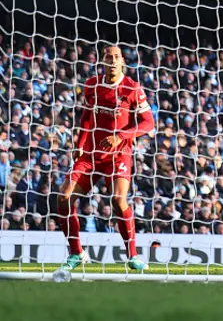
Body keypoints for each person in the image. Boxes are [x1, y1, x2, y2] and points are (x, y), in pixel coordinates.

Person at [56, 46, 155, 272]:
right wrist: (79, 145)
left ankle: (132, 255)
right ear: (103, 60)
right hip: (91, 155)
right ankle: (77, 253)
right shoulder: (92, 85)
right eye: (108, 57)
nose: (112, 60)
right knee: (64, 197)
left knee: (119, 201)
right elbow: (87, 116)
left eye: (117, 57)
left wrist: (120, 136)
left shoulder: (132, 88)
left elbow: (149, 123)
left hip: (119, 155)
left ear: (122, 62)